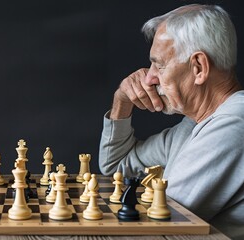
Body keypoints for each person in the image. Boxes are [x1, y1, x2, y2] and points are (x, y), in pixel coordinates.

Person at [98, 4, 243, 239]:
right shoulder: (193, 125)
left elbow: (159, 222)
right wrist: (122, 101)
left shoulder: (234, 124)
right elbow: (115, 167)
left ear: (199, 67)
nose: (149, 77)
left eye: (160, 64)